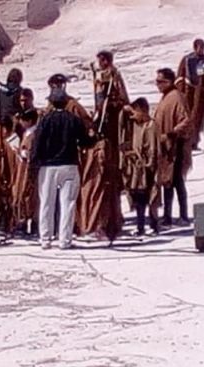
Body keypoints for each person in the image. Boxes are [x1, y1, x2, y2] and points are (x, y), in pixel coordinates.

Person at [31, 88, 93, 250]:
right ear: (66, 102)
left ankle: (45, 239)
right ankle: (64, 240)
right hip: (69, 165)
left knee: (46, 203)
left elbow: (37, 143)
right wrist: (94, 136)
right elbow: (85, 142)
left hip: (48, 167)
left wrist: (34, 163)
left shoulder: (45, 120)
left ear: (51, 102)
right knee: (68, 203)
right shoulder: (73, 120)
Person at [77, 50, 127, 242]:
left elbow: (120, 99)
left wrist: (108, 108)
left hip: (110, 133)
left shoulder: (114, 76)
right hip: (101, 127)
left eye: (102, 60)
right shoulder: (101, 77)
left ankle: (108, 222)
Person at [153, 68, 192, 227]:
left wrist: (171, 133)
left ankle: (183, 215)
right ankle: (167, 215)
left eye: (160, 81)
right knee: (167, 182)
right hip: (165, 149)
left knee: (177, 182)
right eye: (157, 82)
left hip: (175, 147)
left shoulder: (176, 97)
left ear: (169, 82)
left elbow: (186, 121)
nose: (158, 85)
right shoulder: (165, 98)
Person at [121, 98, 159, 236]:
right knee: (138, 198)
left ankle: (153, 225)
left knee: (149, 197)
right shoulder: (137, 125)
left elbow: (152, 149)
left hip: (147, 168)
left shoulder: (151, 126)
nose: (133, 115)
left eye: (135, 111)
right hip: (137, 169)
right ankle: (140, 226)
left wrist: (148, 164)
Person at [177, 38, 204, 150]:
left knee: (199, 118)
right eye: (199, 47)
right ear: (195, 47)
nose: (201, 49)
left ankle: (195, 141)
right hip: (189, 94)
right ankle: (186, 141)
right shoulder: (187, 60)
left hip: (202, 94)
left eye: (203, 47)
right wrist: (181, 91)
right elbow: (180, 77)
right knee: (188, 117)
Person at [12, 108, 39, 236]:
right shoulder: (26, 133)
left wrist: (23, 153)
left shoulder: (34, 135)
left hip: (28, 169)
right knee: (19, 193)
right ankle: (21, 222)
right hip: (22, 168)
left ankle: (31, 222)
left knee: (27, 194)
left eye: (23, 120)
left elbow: (32, 153)